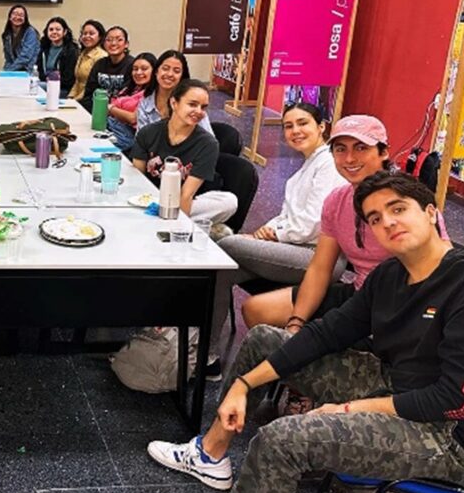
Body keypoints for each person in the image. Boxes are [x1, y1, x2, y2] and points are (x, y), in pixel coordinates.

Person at [143, 172, 464, 493]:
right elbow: (329, 332)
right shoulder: (392, 274)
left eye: (398, 209)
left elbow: (460, 400)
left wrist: (348, 408)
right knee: (263, 340)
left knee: (283, 438)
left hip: (451, 436)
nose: (387, 222)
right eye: (375, 218)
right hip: (398, 385)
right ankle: (210, 454)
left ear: (430, 212)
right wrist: (243, 385)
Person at [204, 103, 348, 380]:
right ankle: (207, 355)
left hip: (319, 257)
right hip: (293, 249)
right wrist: (262, 233)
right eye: (288, 126)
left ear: (322, 127)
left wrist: (273, 235)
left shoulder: (328, 163)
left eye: (303, 123)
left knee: (226, 246)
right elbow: (286, 215)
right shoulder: (305, 168)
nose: (295, 131)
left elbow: (312, 224)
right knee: (223, 268)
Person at [240, 114, 398, 331]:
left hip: (396, 304)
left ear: (383, 152)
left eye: (361, 148)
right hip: (359, 292)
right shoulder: (337, 200)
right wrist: (296, 322)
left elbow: (437, 269)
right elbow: (320, 269)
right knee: (255, 309)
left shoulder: (407, 200)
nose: (350, 159)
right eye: (341, 149)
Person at [130, 78, 237, 223]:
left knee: (229, 201)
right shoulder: (148, 133)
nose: (199, 112)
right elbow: (137, 179)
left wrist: (176, 229)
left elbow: (186, 194)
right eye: (192, 104)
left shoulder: (208, 144)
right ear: (174, 103)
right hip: (149, 198)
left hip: (180, 202)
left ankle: (182, 221)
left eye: (203, 107)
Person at [137, 50, 215, 136]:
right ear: (156, 71)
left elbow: (209, 140)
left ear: (182, 76)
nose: (170, 74)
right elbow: (141, 140)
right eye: (165, 68)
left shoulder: (192, 104)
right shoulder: (145, 104)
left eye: (176, 71)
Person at [106, 52, 156, 151]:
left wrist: (110, 108)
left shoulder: (152, 93)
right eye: (135, 69)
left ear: (154, 71)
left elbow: (133, 118)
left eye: (144, 69)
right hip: (113, 128)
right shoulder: (131, 87)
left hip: (129, 137)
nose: (138, 72)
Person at [81, 25, 135, 106]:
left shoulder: (132, 65)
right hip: (96, 109)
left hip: (119, 112)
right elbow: (89, 94)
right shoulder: (100, 64)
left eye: (119, 40)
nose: (113, 43)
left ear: (126, 44)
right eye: (109, 40)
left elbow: (130, 98)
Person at [36, 16, 79, 97]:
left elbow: (68, 79)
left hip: (62, 88)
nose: (54, 32)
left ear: (65, 32)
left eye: (58, 29)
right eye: (51, 29)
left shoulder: (71, 50)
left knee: (34, 88)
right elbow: (39, 70)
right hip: (46, 84)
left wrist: (50, 80)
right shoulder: (44, 48)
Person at [68, 20, 108, 101]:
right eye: (84, 33)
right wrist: (70, 98)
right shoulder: (83, 53)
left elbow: (92, 87)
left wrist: (75, 101)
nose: (87, 36)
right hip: (78, 97)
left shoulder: (101, 56)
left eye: (91, 33)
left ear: (100, 36)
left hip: (90, 99)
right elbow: (77, 81)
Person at [1, 4, 39, 72]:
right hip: (14, 70)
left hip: (28, 70)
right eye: (15, 14)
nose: (17, 17)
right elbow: (8, 59)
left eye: (21, 15)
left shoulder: (30, 32)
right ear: (9, 17)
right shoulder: (7, 35)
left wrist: (10, 71)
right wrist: (5, 72)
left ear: (25, 19)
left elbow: (25, 57)